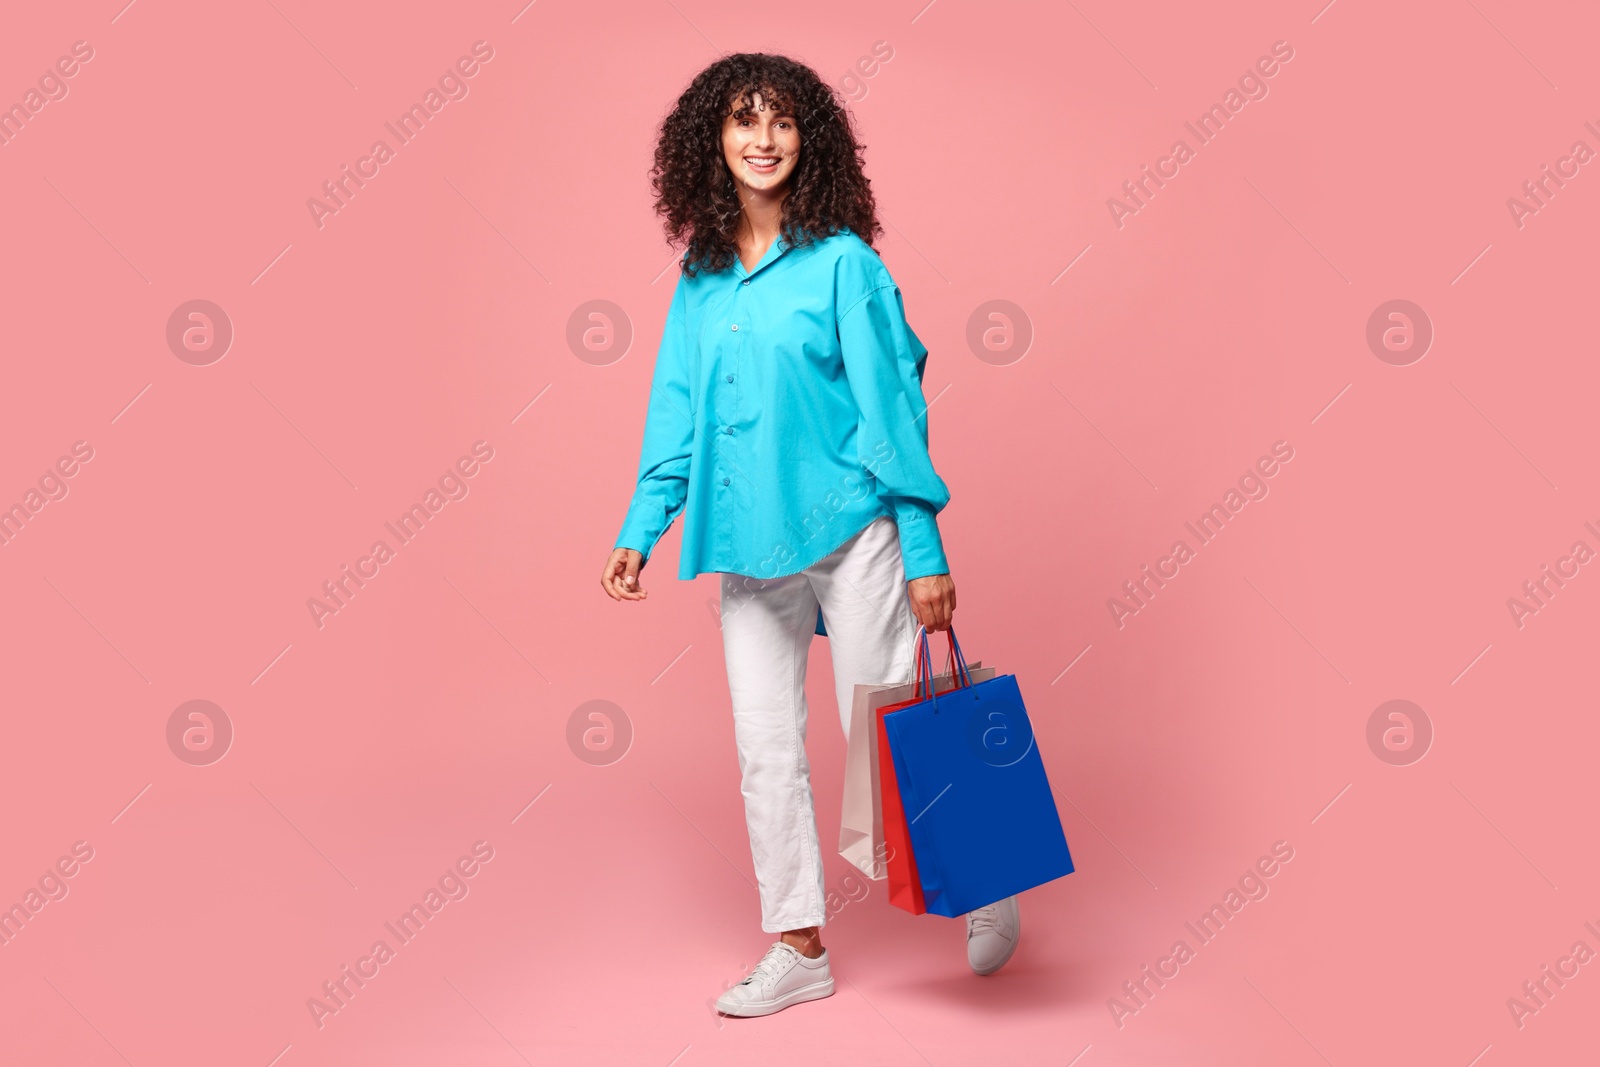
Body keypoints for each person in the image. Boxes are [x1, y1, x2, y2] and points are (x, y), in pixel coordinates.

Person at [599, 53, 1019, 1018]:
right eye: (744, 121)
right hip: (745, 546)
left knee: (891, 727)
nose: (762, 139)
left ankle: (989, 879)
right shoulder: (700, 281)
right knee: (764, 749)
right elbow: (677, 415)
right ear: (712, 139)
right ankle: (798, 944)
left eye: (782, 122)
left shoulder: (846, 266)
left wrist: (923, 547)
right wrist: (643, 525)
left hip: (853, 530)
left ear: (809, 140)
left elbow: (892, 409)